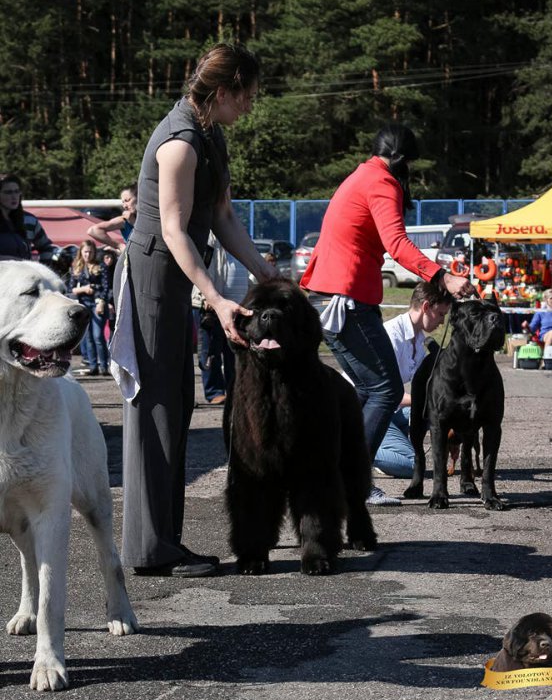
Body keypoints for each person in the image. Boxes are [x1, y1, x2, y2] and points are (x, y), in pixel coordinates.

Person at [112, 42, 278, 579]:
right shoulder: (180, 142)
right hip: (153, 279)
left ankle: (163, 542)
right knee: (156, 408)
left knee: (177, 405)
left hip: (174, 276)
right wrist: (215, 297)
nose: (249, 107)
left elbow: (223, 216)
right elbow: (172, 230)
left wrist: (265, 272)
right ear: (224, 92)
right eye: (246, 97)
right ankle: (150, 549)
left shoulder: (211, 133)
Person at [300, 123, 475, 506]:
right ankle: (353, 480)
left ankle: (334, 471)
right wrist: (442, 276)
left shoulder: (360, 176)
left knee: (365, 390)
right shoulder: (382, 182)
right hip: (345, 297)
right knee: (387, 389)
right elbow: (396, 244)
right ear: (404, 160)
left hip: (327, 294)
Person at [373, 281, 452, 478]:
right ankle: (350, 448)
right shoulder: (392, 336)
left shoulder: (418, 338)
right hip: (365, 411)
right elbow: (384, 395)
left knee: (428, 412)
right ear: (426, 307)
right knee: (413, 465)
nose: (442, 322)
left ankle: (387, 455)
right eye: (441, 314)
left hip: (387, 411)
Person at [193, 234, 250, 405]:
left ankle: (235, 390)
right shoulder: (209, 237)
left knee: (235, 352)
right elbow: (203, 267)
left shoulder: (236, 233)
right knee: (211, 351)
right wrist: (207, 297)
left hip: (238, 303)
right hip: (212, 305)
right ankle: (214, 391)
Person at [67, 239, 109, 376]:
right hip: (83, 303)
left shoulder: (101, 266)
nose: (88, 254)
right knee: (88, 336)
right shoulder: (76, 267)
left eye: (90, 252)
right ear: (81, 252)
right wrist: (84, 289)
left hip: (98, 303)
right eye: (85, 252)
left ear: (94, 252)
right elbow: (70, 289)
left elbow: (106, 287)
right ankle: (92, 366)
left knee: (98, 335)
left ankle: (103, 366)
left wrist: (102, 301)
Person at [0, 173, 58, 262]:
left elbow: (46, 248)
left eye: (17, 191)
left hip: (25, 274)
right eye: (8, 192)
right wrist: (12, 261)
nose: (14, 196)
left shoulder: (29, 220)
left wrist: (42, 269)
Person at [87, 183, 137, 252]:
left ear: (139, 198)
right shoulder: (124, 220)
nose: (124, 206)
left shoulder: (153, 217)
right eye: (123, 202)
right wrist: (119, 245)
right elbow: (93, 230)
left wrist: (134, 222)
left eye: (127, 200)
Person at [101, 246, 118, 341]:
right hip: (102, 301)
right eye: (107, 257)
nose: (109, 260)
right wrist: (107, 303)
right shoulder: (100, 269)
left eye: (111, 257)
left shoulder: (114, 268)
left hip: (113, 301)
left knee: (113, 325)